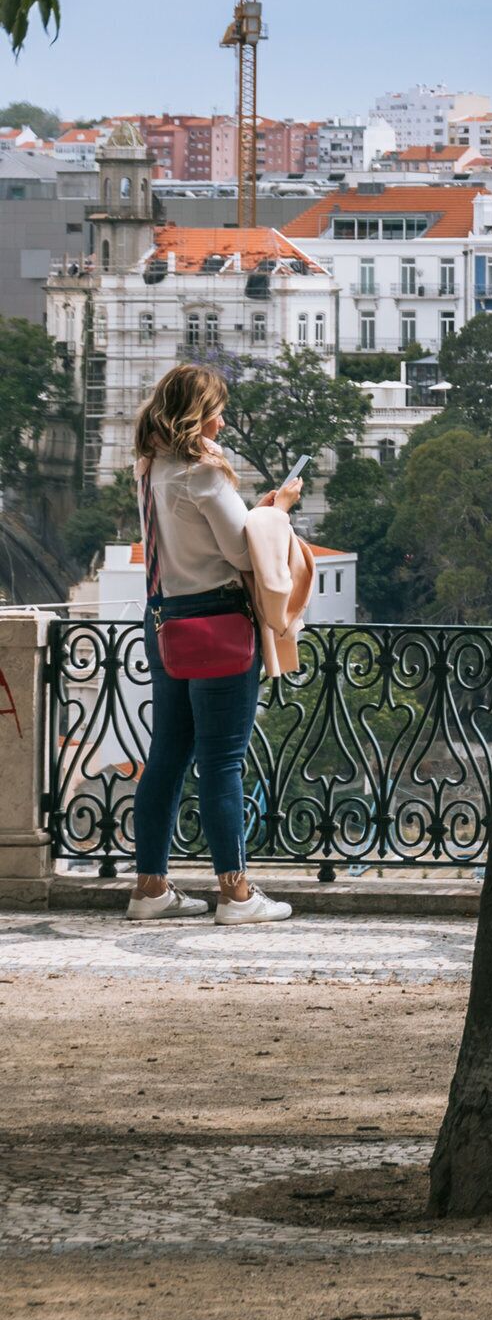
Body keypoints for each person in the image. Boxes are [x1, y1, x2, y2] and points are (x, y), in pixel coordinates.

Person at [127, 361, 302, 926]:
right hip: (219, 623)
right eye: (215, 411)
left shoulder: (148, 467)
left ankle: (150, 887)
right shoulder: (201, 473)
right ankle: (236, 892)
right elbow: (238, 551)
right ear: (195, 415)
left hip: (164, 620)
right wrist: (276, 511)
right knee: (222, 760)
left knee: (167, 756)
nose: (222, 422)